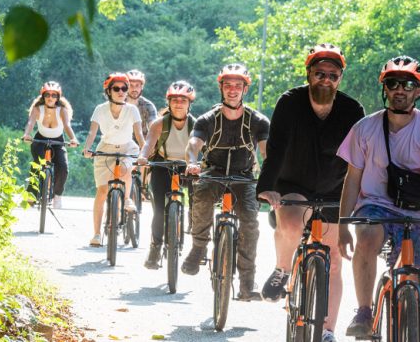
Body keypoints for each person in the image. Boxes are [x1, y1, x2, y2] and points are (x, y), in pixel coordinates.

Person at [337, 55, 420, 341]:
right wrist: (343, 225)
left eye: (408, 84)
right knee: (367, 238)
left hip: (416, 212)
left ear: (418, 91)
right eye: (393, 83)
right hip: (375, 206)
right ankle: (364, 311)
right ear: (385, 88)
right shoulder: (365, 128)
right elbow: (353, 178)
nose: (400, 90)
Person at [257, 44, 364, 342]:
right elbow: (275, 148)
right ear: (309, 74)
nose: (325, 80)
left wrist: (365, 196)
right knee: (290, 223)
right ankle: (282, 270)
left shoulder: (353, 110)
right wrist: (266, 186)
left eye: (332, 75)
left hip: (334, 188)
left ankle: (328, 330)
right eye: (320, 73)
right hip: (293, 183)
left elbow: (360, 159)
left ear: (340, 78)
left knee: (334, 259)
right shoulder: (289, 102)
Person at [182, 64, 270, 301]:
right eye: (228, 85)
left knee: (250, 224)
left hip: (243, 176)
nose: (233, 90)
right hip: (213, 172)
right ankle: (199, 247)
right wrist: (192, 162)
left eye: (238, 86)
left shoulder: (258, 121)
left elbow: (266, 152)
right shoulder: (207, 119)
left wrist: (270, 176)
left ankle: (247, 284)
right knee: (201, 197)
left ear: (245, 90)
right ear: (221, 88)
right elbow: (193, 145)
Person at [138, 81, 197, 269]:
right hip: (163, 165)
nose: (179, 103)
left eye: (183, 100)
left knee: (199, 197)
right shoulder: (160, 123)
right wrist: (142, 157)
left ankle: (193, 219)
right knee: (158, 210)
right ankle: (155, 248)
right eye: (174, 100)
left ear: (189, 104)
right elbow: (148, 144)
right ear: (169, 103)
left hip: (188, 166)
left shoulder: (196, 125)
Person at [83, 72, 145, 247]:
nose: (121, 91)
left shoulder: (132, 110)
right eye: (116, 88)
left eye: (124, 88)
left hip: (127, 146)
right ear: (108, 91)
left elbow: (139, 134)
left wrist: (145, 153)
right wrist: (87, 148)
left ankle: (126, 199)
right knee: (102, 191)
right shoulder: (100, 109)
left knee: (126, 169)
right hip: (106, 148)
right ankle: (96, 234)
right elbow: (92, 132)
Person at [22, 81, 79, 209]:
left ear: (58, 97)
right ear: (43, 96)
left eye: (54, 95)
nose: (50, 98)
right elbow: (30, 123)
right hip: (40, 140)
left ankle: (57, 195)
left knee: (63, 167)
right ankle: (32, 193)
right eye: (47, 94)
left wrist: (73, 139)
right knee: (37, 165)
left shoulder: (62, 110)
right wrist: (27, 134)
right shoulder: (37, 109)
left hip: (57, 141)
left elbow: (67, 126)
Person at [126, 69, 157, 138]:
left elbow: (153, 127)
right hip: (122, 143)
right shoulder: (119, 104)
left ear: (141, 87)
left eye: (137, 85)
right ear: (126, 87)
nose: (134, 89)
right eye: (131, 85)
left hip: (142, 144)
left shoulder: (148, 106)